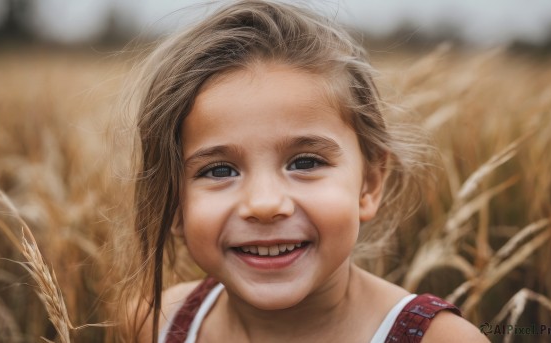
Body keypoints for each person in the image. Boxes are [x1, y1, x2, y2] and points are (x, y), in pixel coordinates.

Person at [118, 1, 488, 342]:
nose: (264, 204)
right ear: (172, 202)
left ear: (369, 185)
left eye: (305, 163)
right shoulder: (158, 323)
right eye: (219, 170)